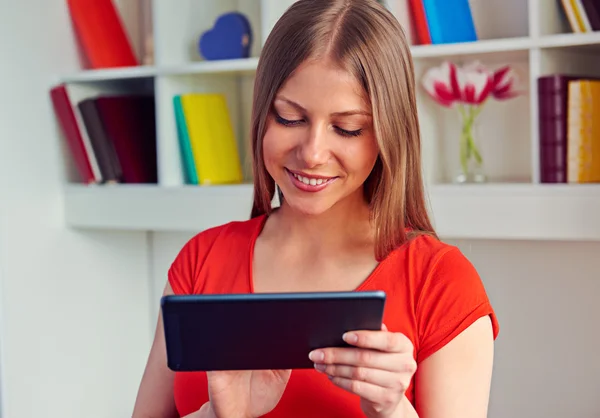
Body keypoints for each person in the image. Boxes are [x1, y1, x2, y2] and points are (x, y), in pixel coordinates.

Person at [133, 0, 499, 417]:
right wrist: (220, 415)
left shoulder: (441, 283)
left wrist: (393, 409)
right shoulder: (201, 263)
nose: (312, 153)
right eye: (290, 118)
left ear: (387, 133)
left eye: (347, 128)